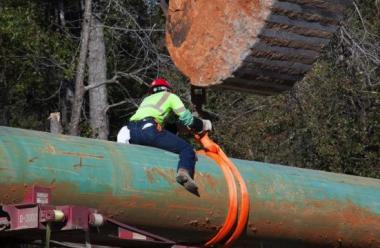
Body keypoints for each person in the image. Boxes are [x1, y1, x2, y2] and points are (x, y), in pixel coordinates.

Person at [117, 78, 212, 195]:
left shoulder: (146, 100)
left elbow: (163, 127)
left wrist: (176, 129)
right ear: (167, 89)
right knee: (186, 149)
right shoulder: (170, 96)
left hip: (131, 131)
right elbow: (187, 119)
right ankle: (183, 172)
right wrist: (202, 124)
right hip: (149, 130)